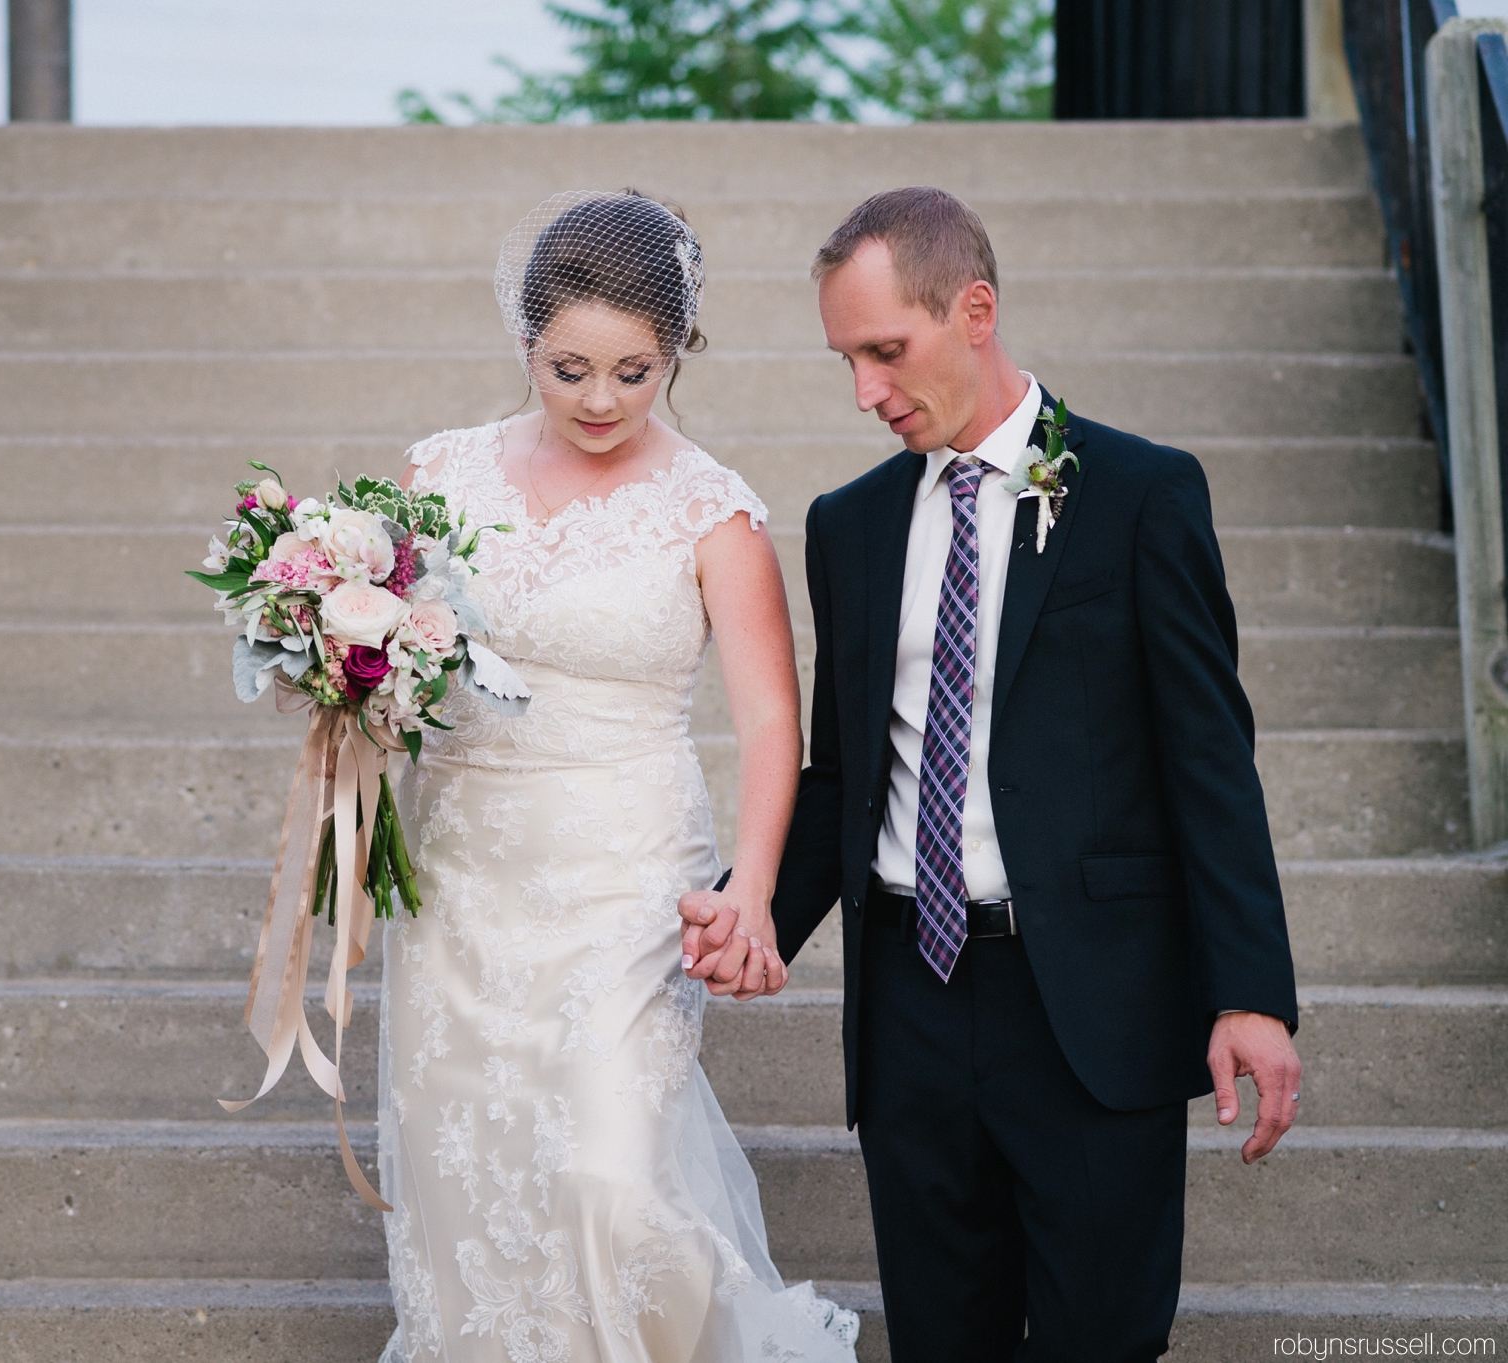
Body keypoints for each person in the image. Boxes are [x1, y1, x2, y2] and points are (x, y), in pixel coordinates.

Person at [681, 186, 1304, 1362]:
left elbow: (1209, 764)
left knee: (1098, 1340)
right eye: (844, 361)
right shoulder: (849, 526)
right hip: (908, 1002)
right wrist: (751, 908)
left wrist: (1249, 992)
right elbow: (843, 778)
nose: (865, 391)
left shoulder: (1138, 494)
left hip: (1086, 1004)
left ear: (973, 309)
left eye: (884, 351)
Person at [377, 190, 859, 1362]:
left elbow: (763, 721)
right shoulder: (439, 474)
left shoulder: (711, 509)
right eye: (568, 368)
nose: (600, 401)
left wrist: (751, 888)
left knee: (609, 1176)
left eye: (634, 373)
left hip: (628, 874)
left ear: (676, 352)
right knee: (472, 1170)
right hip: (461, 872)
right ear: (525, 342)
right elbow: (385, 663)